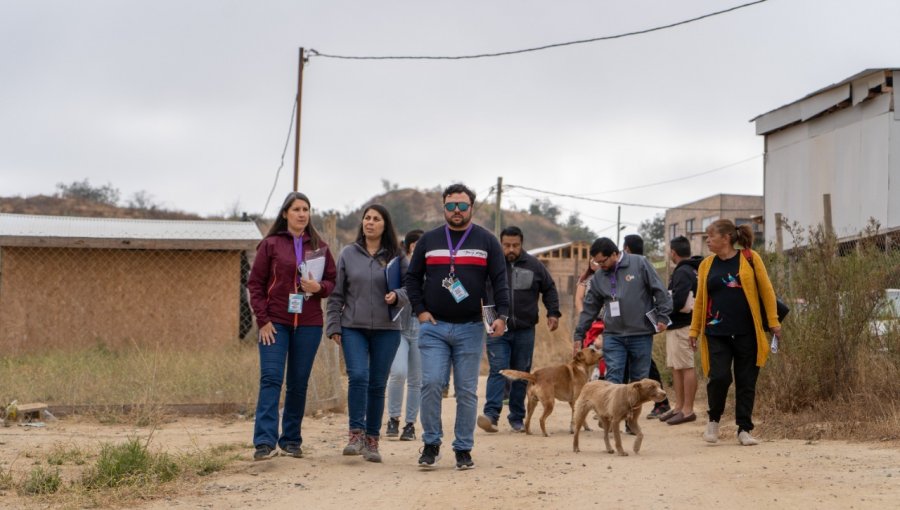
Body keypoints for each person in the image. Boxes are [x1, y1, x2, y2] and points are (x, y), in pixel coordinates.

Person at [404, 183, 510, 470]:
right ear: (444, 208)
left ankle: (463, 448)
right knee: (431, 384)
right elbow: (412, 278)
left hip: (471, 328)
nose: (457, 211)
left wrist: (501, 316)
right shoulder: (429, 240)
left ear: (472, 207)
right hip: (434, 327)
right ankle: (431, 443)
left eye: (462, 206)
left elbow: (500, 281)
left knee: (466, 390)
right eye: (451, 206)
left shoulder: (487, 241)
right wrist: (421, 311)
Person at [247, 191, 337, 461]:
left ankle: (291, 440)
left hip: (308, 323)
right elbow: (255, 285)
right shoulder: (271, 244)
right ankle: (264, 441)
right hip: (275, 323)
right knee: (271, 379)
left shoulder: (319, 247)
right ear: (285, 213)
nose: (301, 214)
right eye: (296, 209)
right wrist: (263, 320)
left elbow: (332, 282)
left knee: (298, 383)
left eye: (306, 209)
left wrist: (318, 287)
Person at [689, 219, 782, 446]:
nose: (708, 241)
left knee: (746, 380)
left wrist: (773, 322)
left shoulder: (750, 258)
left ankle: (744, 429)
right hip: (715, 331)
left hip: (747, 331)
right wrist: (694, 330)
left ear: (727, 238)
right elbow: (700, 300)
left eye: (711, 236)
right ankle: (713, 421)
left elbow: (767, 290)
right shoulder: (706, 265)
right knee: (719, 377)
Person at [326, 204, 405, 463]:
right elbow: (336, 294)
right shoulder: (348, 253)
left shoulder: (396, 257)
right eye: (366, 218)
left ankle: (372, 441)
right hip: (353, 327)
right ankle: (355, 434)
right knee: (358, 376)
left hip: (387, 329)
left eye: (376, 219)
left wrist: (397, 296)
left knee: (377, 384)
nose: (369, 222)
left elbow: (410, 291)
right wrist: (334, 325)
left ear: (385, 225)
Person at [477, 226, 561, 434]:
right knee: (498, 369)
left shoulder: (534, 265)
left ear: (522, 244)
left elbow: (549, 288)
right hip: (497, 328)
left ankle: (517, 417)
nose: (511, 249)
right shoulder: (491, 265)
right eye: (506, 245)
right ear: (500, 244)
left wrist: (553, 313)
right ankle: (491, 416)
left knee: (521, 374)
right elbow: (478, 291)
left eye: (515, 245)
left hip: (525, 329)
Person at [574, 237, 672, 386]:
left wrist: (663, 316)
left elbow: (660, 291)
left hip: (640, 334)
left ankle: (632, 410)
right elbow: (589, 308)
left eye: (603, 261)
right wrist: (579, 334)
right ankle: (614, 410)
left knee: (638, 383)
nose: (600, 266)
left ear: (614, 254)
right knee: (613, 380)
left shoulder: (639, 263)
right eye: (597, 262)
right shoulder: (599, 277)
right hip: (613, 335)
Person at [622, 234, 671, 419]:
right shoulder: (633, 266)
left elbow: (660, 291)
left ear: (626, 249)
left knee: (646, 368)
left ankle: (662, 402)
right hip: (628, 328)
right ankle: (622, 406)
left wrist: (662, 316)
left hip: (640, 328)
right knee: (637, 367)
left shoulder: (641, 266)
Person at [659, 236, 703, 426]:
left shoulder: (684, 271)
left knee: (686, 366)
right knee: (677, 367)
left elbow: (679, 300)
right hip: (676, 325)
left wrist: (663, 309)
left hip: (684, 325)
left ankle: (687, 410)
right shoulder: (688, 269)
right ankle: (679, 406)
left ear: (673, 252)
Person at [385, 229, 425, 441]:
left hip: (422, 327)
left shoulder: (434, 269)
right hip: (398, 326)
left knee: (417, 379)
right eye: (417, 244)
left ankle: (410, 424)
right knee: (398, 372)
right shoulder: (398, 267)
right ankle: (393, 417)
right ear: (410, 246)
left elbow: (450, 288)